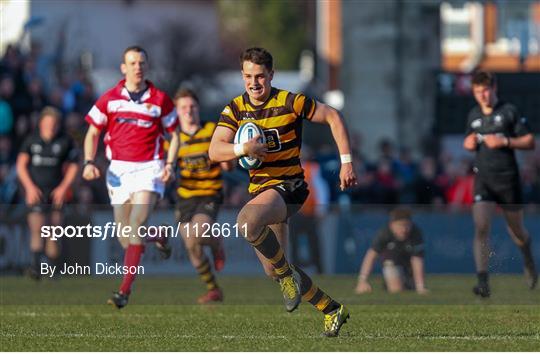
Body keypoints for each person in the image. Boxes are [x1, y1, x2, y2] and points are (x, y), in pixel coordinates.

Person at [209, 47, 358, 337]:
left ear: (271, 75)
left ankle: (289, 276)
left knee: (246, 222)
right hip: (263, 193)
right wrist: (243, 149)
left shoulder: (290, 101)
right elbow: (215, 150)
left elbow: (333, 117)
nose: (254, 83)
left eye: (260, 77)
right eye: (249, 76)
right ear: (242, 76)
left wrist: (346, 163)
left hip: (290, 187)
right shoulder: (236, 108)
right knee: (274, 270)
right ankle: (331, 308)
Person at [82, 46, 180, 308]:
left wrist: (170, 164)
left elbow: (175, 134)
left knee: (136, 221)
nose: (138, 66)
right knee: (125, 237)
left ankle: (124, 291)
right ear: (123, 67)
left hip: (150, 167)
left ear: (147, 67)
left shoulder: (160, 99)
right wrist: (89, 162)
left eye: (142, 62)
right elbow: (93, 133)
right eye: (133, 62)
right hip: (119, 170)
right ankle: (158, 234)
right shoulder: (109, 98)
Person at [463, 70, 537, 297]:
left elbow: (530, 141)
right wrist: (469, 143)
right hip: (483, 179)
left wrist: (504, 140)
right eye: (477, 92)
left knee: (516, 230)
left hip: (507, 180)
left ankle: (527, 258)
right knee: (481, 227)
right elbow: (469, 141)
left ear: (494, 88)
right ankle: (482, 281)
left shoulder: (508, 111)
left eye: (485, 90)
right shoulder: (474, 115)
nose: (482, 96)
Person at [172, 88, 231, 304]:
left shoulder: (211, 131)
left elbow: (228, 164)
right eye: (183, 107)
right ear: (177, 111)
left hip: (209, 194)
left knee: (199, 233)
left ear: (198, 108)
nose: (188, 111)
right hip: (185, 197)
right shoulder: (173, 139)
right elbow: (167, 168)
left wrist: (228, 160)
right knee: (191, 247)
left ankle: (216, 244)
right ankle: (213, 289)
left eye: (192, 106)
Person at [16, 106, 79, 279]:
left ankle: (52, 268)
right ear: (42, 123)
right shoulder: (31, 140)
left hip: (56, 193)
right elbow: (21, 165)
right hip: (36, 191)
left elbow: (74, 165)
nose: (51, 127)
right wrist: (29, 187)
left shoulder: (64, 141)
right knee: (37, 228)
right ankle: (36, 266)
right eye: (48, 123)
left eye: (54, 124)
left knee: (54, 230)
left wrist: (63, 188)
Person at [354, 208, 428, 294]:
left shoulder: (416, 233)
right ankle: (390, 283)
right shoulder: (384, 233)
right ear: (392, 225)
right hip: (391, 258)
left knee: (411, 288)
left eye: (407, 225)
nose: (404, 229)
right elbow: (371, 256)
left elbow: (417, 260)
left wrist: (420, 286)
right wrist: (362, 281)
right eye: (400, 225)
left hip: (408, 261)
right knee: (396, 290)